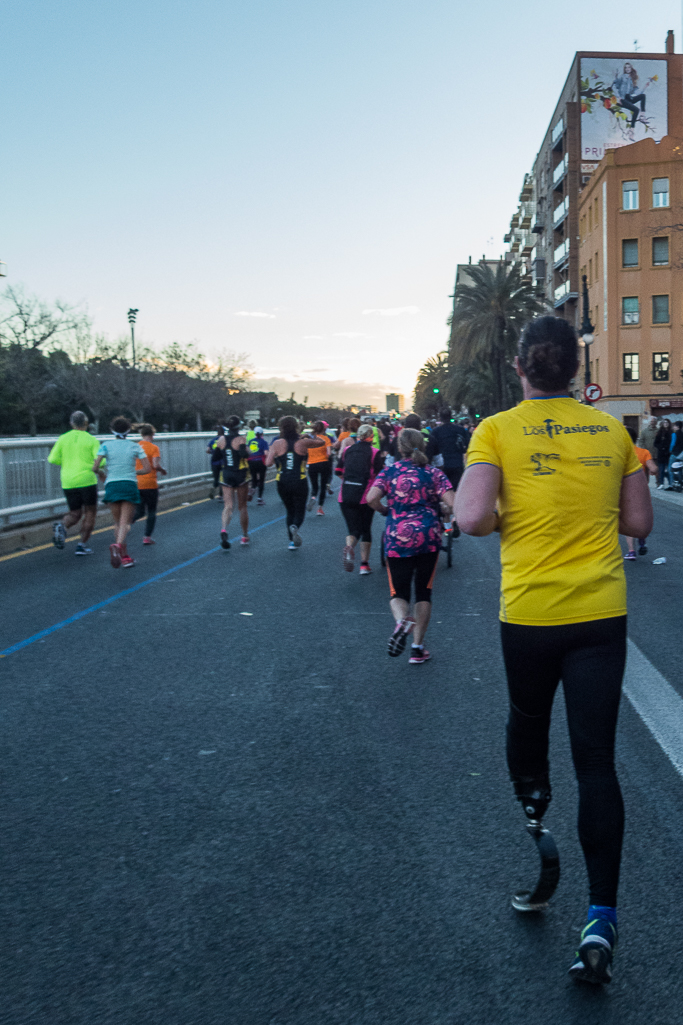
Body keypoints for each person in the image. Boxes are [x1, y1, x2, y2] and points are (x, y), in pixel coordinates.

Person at [454, 315, 652, 985]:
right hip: (600, 613)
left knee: (526, 725)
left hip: (531, 613)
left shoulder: (495, 430)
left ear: (518, 368)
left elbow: (471, 517)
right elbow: (636, 522)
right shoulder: (612, 432)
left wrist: (517, 514)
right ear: (577, 368)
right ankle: (600, 916)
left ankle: (538, 830)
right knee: (596, 759)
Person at [368, 429, 454, 662]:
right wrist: (442, 510)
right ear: (423, 446)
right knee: (423, 591)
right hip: (428, 537)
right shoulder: (434, 473)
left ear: (399, 447)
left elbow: (371, 498)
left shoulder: (389, 472)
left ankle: (401, 621)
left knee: (398, 591)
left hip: (397, 536)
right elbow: (451, 503)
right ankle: (417, 647)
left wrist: (387, 511)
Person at [93, 417, 151, 568]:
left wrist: (101, 474)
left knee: (118, 523)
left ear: (112, 430)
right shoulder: (135, 447)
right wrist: (133, 472)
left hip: (112, 484)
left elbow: (95, 467)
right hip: (129, 484)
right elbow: (147, 469)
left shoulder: (105, 446)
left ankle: (124, 555)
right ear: (128, 430)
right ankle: (119, 548)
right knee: (126, 523)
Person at [265, 416, 325, 548]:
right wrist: (310, 434)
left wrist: (276, 456)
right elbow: (321, 442)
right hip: (300, 480)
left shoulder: (277, 443)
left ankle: (291, 541)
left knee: (289, 510)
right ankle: (295, 526)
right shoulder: (302, 442)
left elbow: (268, 463)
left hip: (282, 480)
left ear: (281, 427)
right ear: (296, 427)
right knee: (300, 510)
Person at [48, 410, 102, 556]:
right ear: (86, 423)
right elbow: (101, 461)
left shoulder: (63, 438)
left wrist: (65, 462)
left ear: (71, 423)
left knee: (74, 512)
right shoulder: (92, 440)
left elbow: (52, 459)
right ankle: (82, 545)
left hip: (68, 480)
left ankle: (62, 526)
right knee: (90, 512)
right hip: (87, 480)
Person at [336, 424, 384, 574]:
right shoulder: (374, 452)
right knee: (366, 529)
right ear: (371, 437)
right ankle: (364, 565)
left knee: (352, 529)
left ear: (357, 436)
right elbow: (379, 475)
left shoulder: (347, 451)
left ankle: (350, 547)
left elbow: (338, 471)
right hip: (365, 495)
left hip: (345, 494)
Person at [215, 415, 250, 549]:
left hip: (226, 473)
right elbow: (245, 455)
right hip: (240, 474)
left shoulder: (221, 439)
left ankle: (224, 529)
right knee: (242, 507)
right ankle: (245, 536)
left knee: (228, 505)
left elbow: (216, 456)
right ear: (238, 426)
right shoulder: (241, 439)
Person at [623, 428, 657, 560]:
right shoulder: (644, 452)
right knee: (640, 518)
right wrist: (653, 472)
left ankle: (631, 551)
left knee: (627, 520)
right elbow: (653, 468)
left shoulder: (620, 453)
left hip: (625, 492)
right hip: (642, 492)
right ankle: (641, 539)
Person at [133, 424, 167, 544]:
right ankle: (147, 537)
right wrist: (163, 470)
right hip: (150, 483)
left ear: (141, 435)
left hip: (137, 483)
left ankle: (124, 525)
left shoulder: (135, 447)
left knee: (139, 511)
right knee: (151, 511)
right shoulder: (154, 448)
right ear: (152, 435)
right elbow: (155, 465)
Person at [427, 407, 470, 492]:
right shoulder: (460, 430)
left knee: (444, 490)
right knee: (457, 490)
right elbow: (467, 444)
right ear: (451, 417)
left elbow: (431, 447)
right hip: (457, 463)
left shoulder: (436, 431)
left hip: (442, 465)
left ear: (440, 418)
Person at [306, 421, 334, 515]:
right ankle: (320, 509)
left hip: (312, 464)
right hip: (323, 463)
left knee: (314, 485)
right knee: (323, 486)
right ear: (324, 429)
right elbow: (329, 453)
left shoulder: (309, 439)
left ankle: (313, 497)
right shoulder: (326, 439)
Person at [247, 426, 269, 505]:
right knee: (261, 480)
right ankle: (260, 499)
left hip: (251, 462)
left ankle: (251, 490)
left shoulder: (250, 441)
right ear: (262, 433)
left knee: (253, 478)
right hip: (261, 462)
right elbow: (266, 453)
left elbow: (247, 451)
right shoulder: (264, 442)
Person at [207, 425, 224, 499]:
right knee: (222, 478)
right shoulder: (224, 440)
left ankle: (213, 489)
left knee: (216, 478)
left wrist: (213, 452)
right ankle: (221, 494)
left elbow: (207, 450)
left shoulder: (213, 440)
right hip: (223, 462)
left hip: (214, 462)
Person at [654, 418, 672, 488]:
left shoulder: (671, 432)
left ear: (669, 423)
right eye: (664, 422)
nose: (665, 424)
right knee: (661, 470)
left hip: (668, 454)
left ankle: (670, 483)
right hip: (661, 454)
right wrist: (661, 448)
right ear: (662, 424)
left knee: (669, 470)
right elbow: (655, 443)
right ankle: (661, 483)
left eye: (667, 422)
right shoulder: (660, 432)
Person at [665, 420, 683, 489]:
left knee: (671, 469)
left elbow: (672, 444)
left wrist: (670, 450)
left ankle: (672, 484)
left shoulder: (674, 434)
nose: (673, 427)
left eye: (675, 426)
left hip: (674, 453)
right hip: (681, 454)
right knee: (679, 469)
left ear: (677, 427)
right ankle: (680, 483)